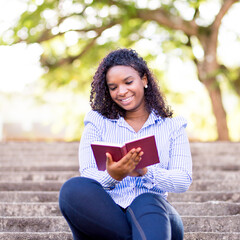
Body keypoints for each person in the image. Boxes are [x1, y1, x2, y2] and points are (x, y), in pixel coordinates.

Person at [59, 48, 192, 240]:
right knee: (73, 189)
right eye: (113, 87)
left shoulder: (173, 126)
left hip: (158, 216)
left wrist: (146, 171)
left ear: (144, 79)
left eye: (128, 82)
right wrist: (113, 175)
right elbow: (88, 175)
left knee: (146, 200)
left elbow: (182, 180)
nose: (122, 92)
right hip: (108, 215)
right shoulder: (97, 122)